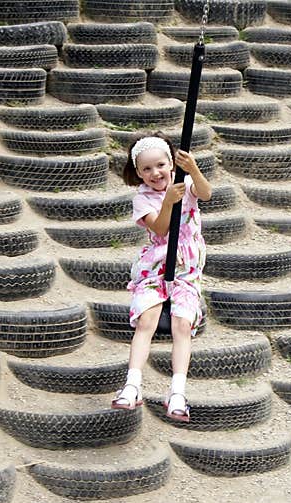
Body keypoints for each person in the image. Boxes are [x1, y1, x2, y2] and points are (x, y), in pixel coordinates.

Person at [110, 133, 212, 422]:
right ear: (138, 173)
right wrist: (168, 201)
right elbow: (160, 230)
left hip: (187, 269)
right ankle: (132, 385)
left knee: (182, 323)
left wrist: (193, 169)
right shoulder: (143, 199)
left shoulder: (186, 184)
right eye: (147, 169)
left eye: (160, 165)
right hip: (156, 268)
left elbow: (206, 194)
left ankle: (177, 391)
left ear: (171, 164)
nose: (155, 173)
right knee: (147, 320)